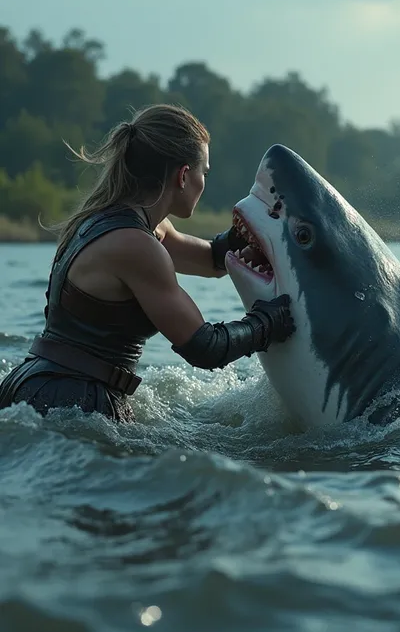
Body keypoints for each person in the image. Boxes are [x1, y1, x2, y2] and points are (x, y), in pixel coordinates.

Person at [0, 104, 295, 422]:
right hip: (67, 400)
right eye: (203, 173)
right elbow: (205, 346)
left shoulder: (129, 223)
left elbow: (212, 258)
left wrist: (258, 228)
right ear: (183, 176)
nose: (203, 183)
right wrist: (272, 320)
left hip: (40, 387)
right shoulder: (136, 244)